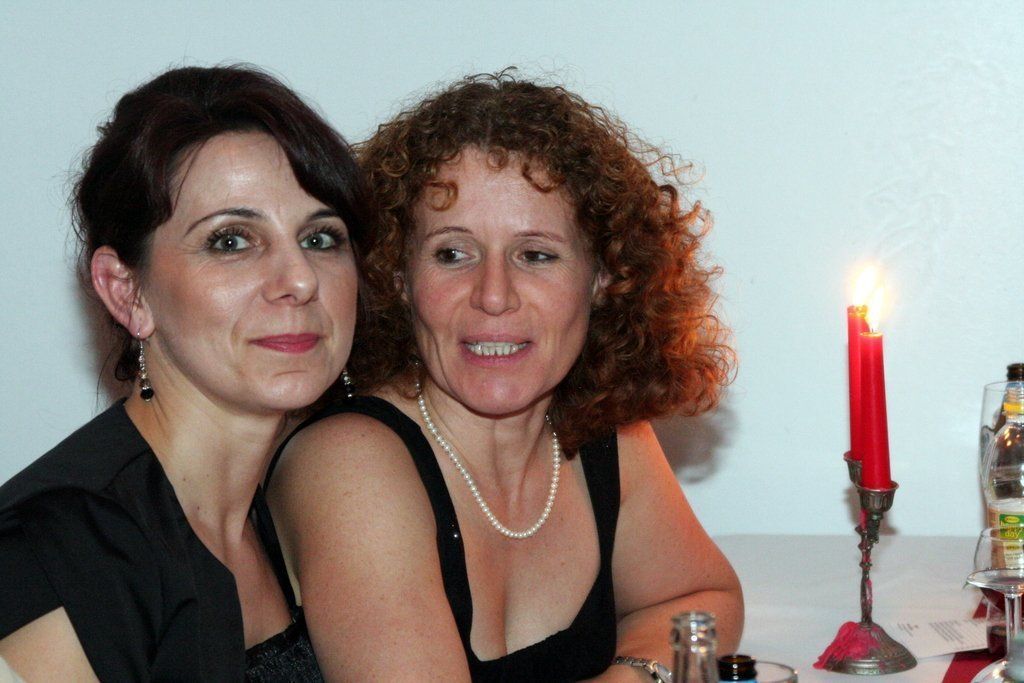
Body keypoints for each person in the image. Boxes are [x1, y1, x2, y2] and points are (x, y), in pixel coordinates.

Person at [268, 71, 743, 682]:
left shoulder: (600, 431)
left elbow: (700, 600)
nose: (494, 295)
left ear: (603, 277)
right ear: (396, 277)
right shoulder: (348, 463)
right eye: (452, 254)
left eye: (536, 255)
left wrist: (628, 676)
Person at [0, 64, 370, 681]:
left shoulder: (297, 507)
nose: (300, 280)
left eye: (320, 238)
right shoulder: (58, 551)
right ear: (127, 292)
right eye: (231, 241)